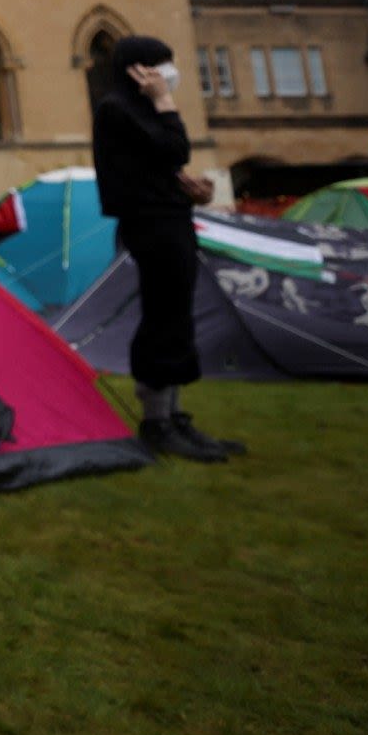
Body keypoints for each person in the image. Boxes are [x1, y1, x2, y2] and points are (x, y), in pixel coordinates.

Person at [91, 34, 241, 462]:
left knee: (176, 317)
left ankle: (173, 417)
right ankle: (156, 422)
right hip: (150, 227)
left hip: (170, 220)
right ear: (137, 69)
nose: (168, 74)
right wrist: (165, 103)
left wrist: (191, 191)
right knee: (162, 318)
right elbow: (175, 147)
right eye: (160, 65)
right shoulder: (118, 110)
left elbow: (162, 165)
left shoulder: (140, 113)